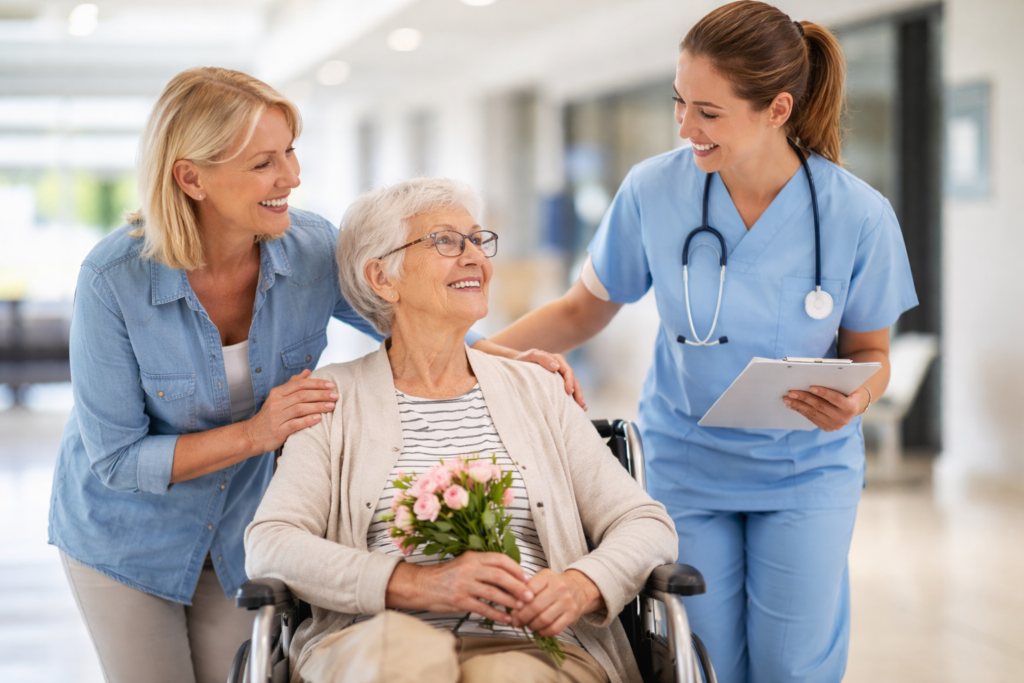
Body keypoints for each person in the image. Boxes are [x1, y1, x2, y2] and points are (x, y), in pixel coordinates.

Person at [47, 67, 580, 683]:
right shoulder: (113, 280)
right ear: (191, 177)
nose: (292, 177)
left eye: (291, 152)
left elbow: (407, 321)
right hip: (124, 535)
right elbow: (116, 458)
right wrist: (257, 433)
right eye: (264, 163)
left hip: (240, 527)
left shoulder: (310, 249)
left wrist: (515, 363)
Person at [487, 3, 919, 682]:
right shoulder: (654, 189)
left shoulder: (856, 214)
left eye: (709, 112)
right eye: (678, 102)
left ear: (777, 109)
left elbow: (872, 351)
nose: (685, 126)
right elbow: (580, 311)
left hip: (807, 468)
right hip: (687, 464)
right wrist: (467, 357)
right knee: (699, 659)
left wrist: (860, 392)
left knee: (791, 666)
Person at [244, 178, 678, 683]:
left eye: (477, 239)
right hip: (378, 639)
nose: (475, 256)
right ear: (382, 277)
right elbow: (272, 542)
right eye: (447, 241)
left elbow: (645, 523)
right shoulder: (333, 400)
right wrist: (411, 585)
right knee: (405, 663)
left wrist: (581, 586)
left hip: (533, 646)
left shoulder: (537, 390)